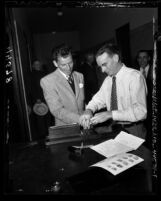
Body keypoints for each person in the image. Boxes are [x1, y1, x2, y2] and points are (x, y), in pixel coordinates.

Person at [79, 43, 147, 139]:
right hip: (115, 127)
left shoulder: (134, 77)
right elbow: (98, 100)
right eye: (100, 67)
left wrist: (110, 114)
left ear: (115, 58)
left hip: (133, 129)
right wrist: (88, 110)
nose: (102, 70)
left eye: (104, 64)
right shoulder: (108, 80)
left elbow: (141, 111)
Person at [40, 44, 85, 126]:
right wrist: (81, 119)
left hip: (85, 125)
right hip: (66, 128)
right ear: (55, 63)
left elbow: (82, 101)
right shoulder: (47, 81)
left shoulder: (80, 76)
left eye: (70, 63)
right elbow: (57, 110)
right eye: (63, 65)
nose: (68, 68)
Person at [28, 60, 52, 141]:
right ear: (33, 66)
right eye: (36, 64)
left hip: (47, 98)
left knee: (48, 115)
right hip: (38, 99)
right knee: (40, 117)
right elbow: (31, 87)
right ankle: (42, 134)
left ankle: (49, 132)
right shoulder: (31, 75)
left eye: (39, 64)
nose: (38, 65)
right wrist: (36, 98)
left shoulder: (44, 73)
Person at [136, 50, 153, 147]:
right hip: (140, 108)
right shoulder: (134, 73)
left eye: (144, 57)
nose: (142, 60)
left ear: (149, 58)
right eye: (140, 57)